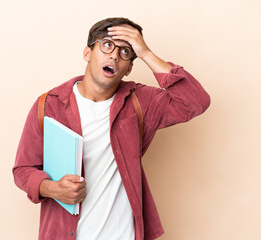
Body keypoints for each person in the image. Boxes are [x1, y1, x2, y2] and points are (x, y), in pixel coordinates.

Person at [13, 17, 210, 240]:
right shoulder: (49, 104)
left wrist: (146, 53)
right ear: (87, 53)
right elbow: (22, 169)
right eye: (107, 45)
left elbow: (195, 102)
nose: (115, 55)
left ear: (129, 68)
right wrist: (52, 189)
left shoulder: (140, 102)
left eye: (126, 51)